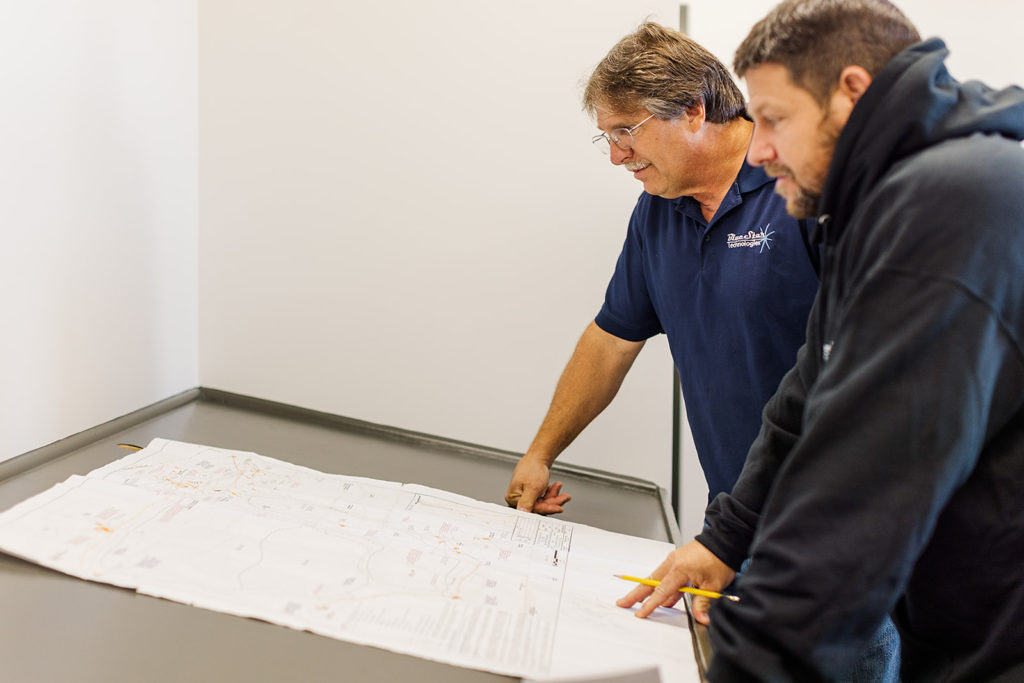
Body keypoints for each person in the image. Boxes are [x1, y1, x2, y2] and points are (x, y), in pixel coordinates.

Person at [617, 1, 1024, 681]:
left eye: (774, 119)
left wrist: (752, 663)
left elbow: (861, 486)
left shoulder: (952, 203)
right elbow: (809, 385)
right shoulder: (878, 204)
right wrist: (724, 536)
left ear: (852, 92)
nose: (760, 145)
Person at [504, 22, 819, 518]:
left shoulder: (805, 185)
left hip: (841, 519)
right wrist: (540, 453)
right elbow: (612, 339)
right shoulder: (658, 210)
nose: (616, 156)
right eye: (606, 137)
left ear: (694, 110)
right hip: (737, 520)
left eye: (625, 131)